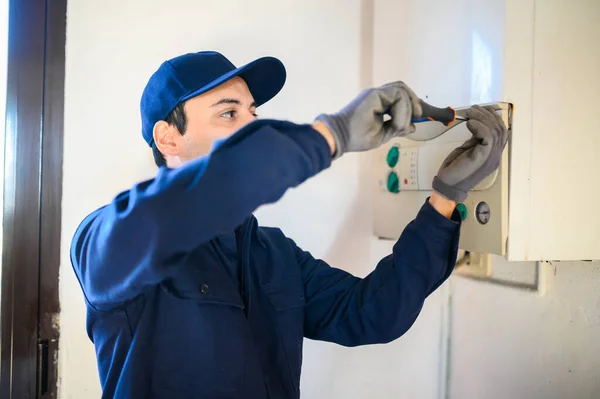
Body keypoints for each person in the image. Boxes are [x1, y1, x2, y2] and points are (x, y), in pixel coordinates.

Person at [70, 51, 508, 399]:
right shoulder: (110, 240)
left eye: (252, 114)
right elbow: (193, 200)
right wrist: (331, 133)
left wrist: (445, 198)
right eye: (228, 113)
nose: (253, 126)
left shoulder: (273, 254)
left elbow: (373, 313)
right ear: (168, 138)